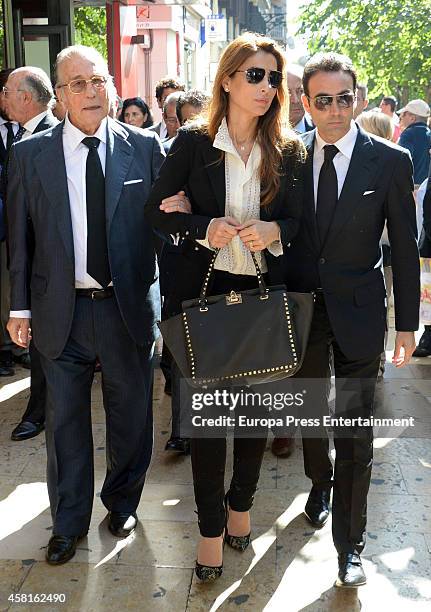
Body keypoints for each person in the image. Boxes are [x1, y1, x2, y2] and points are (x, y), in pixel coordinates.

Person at [145, 32, 305, 582]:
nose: (266, 87)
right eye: (254, 76)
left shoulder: (288, 148)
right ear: (228, 80)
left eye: (273, 78)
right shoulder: (193, 142)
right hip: (207, 301)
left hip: (263, 301)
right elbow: (156, 213)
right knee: (210, 427)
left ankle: (242, 511)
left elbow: (303, 225)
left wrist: (275, 228)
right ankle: (210, 532)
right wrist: (201, 227)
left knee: (256, 420)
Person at [6, 44, 164, 565]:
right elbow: (21, 239)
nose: (91, 92)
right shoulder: (30, 154)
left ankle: (122, 502)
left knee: (131, 418)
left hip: (126, 309)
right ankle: (67, 523)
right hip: (60, 311)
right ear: (61, 96)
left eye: (98, 81)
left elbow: (165, 229)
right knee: (66, 423)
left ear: (111, 87)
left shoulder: (144, 148)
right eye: (77, 84)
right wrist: (20, 308)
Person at [283, 52, 419, 588]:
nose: (335, 110)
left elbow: (404, 250)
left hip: (361, 315)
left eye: (344, 98)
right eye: (323, 100)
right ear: (306, 103)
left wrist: (406, 324)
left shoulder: (389, 161)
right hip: (303, 313)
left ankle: (350, 548)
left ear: (357, 99)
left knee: (355, 432)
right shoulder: (289, 158)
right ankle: (320, 481)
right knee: (314, 421)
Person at [2, 66, 59, 442]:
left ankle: (39, 412)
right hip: (29, 262)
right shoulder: (18, 137)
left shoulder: (53, 138)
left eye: (6, 91)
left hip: (53, 265)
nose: (2, 98)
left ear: (25, 97)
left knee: (47, 349)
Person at [398, 99, 431, 186]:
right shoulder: (429, 134)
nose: (401, 116)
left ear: (412, 118)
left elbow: (402, 162)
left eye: (404, 114)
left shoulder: (408, 134)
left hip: (412, 188)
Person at [286, 64, 313, 133]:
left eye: (301, 91)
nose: (295, 100)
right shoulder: (260, 133)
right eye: (288, 92)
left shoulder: (320, 131)